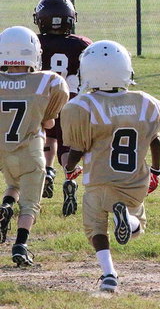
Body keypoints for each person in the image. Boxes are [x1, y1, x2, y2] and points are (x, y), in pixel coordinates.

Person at [61, 40, 160, 293]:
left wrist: (69, 168)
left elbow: (77, 148)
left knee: (95, 228)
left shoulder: (81, 106)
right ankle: (127, 218)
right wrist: (156, 170)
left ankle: (109, 274)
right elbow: (155, 139)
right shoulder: (147, 103)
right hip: (134, 180)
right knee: (137, 227)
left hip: (99, 180)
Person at [0, 26, 69, 266]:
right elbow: (49, 120)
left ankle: (6, 205)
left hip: (3, 150)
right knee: (30, 203)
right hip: (31, 149)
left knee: (12, 184)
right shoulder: (48, 81)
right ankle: (21, 244)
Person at [32, 0, 92, 202]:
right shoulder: (81, 43)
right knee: (68, 143)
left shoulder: (35, 42)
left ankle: (47, 170)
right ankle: (69, 179)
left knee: (47, 135)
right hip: (71, 99)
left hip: (41, 99)